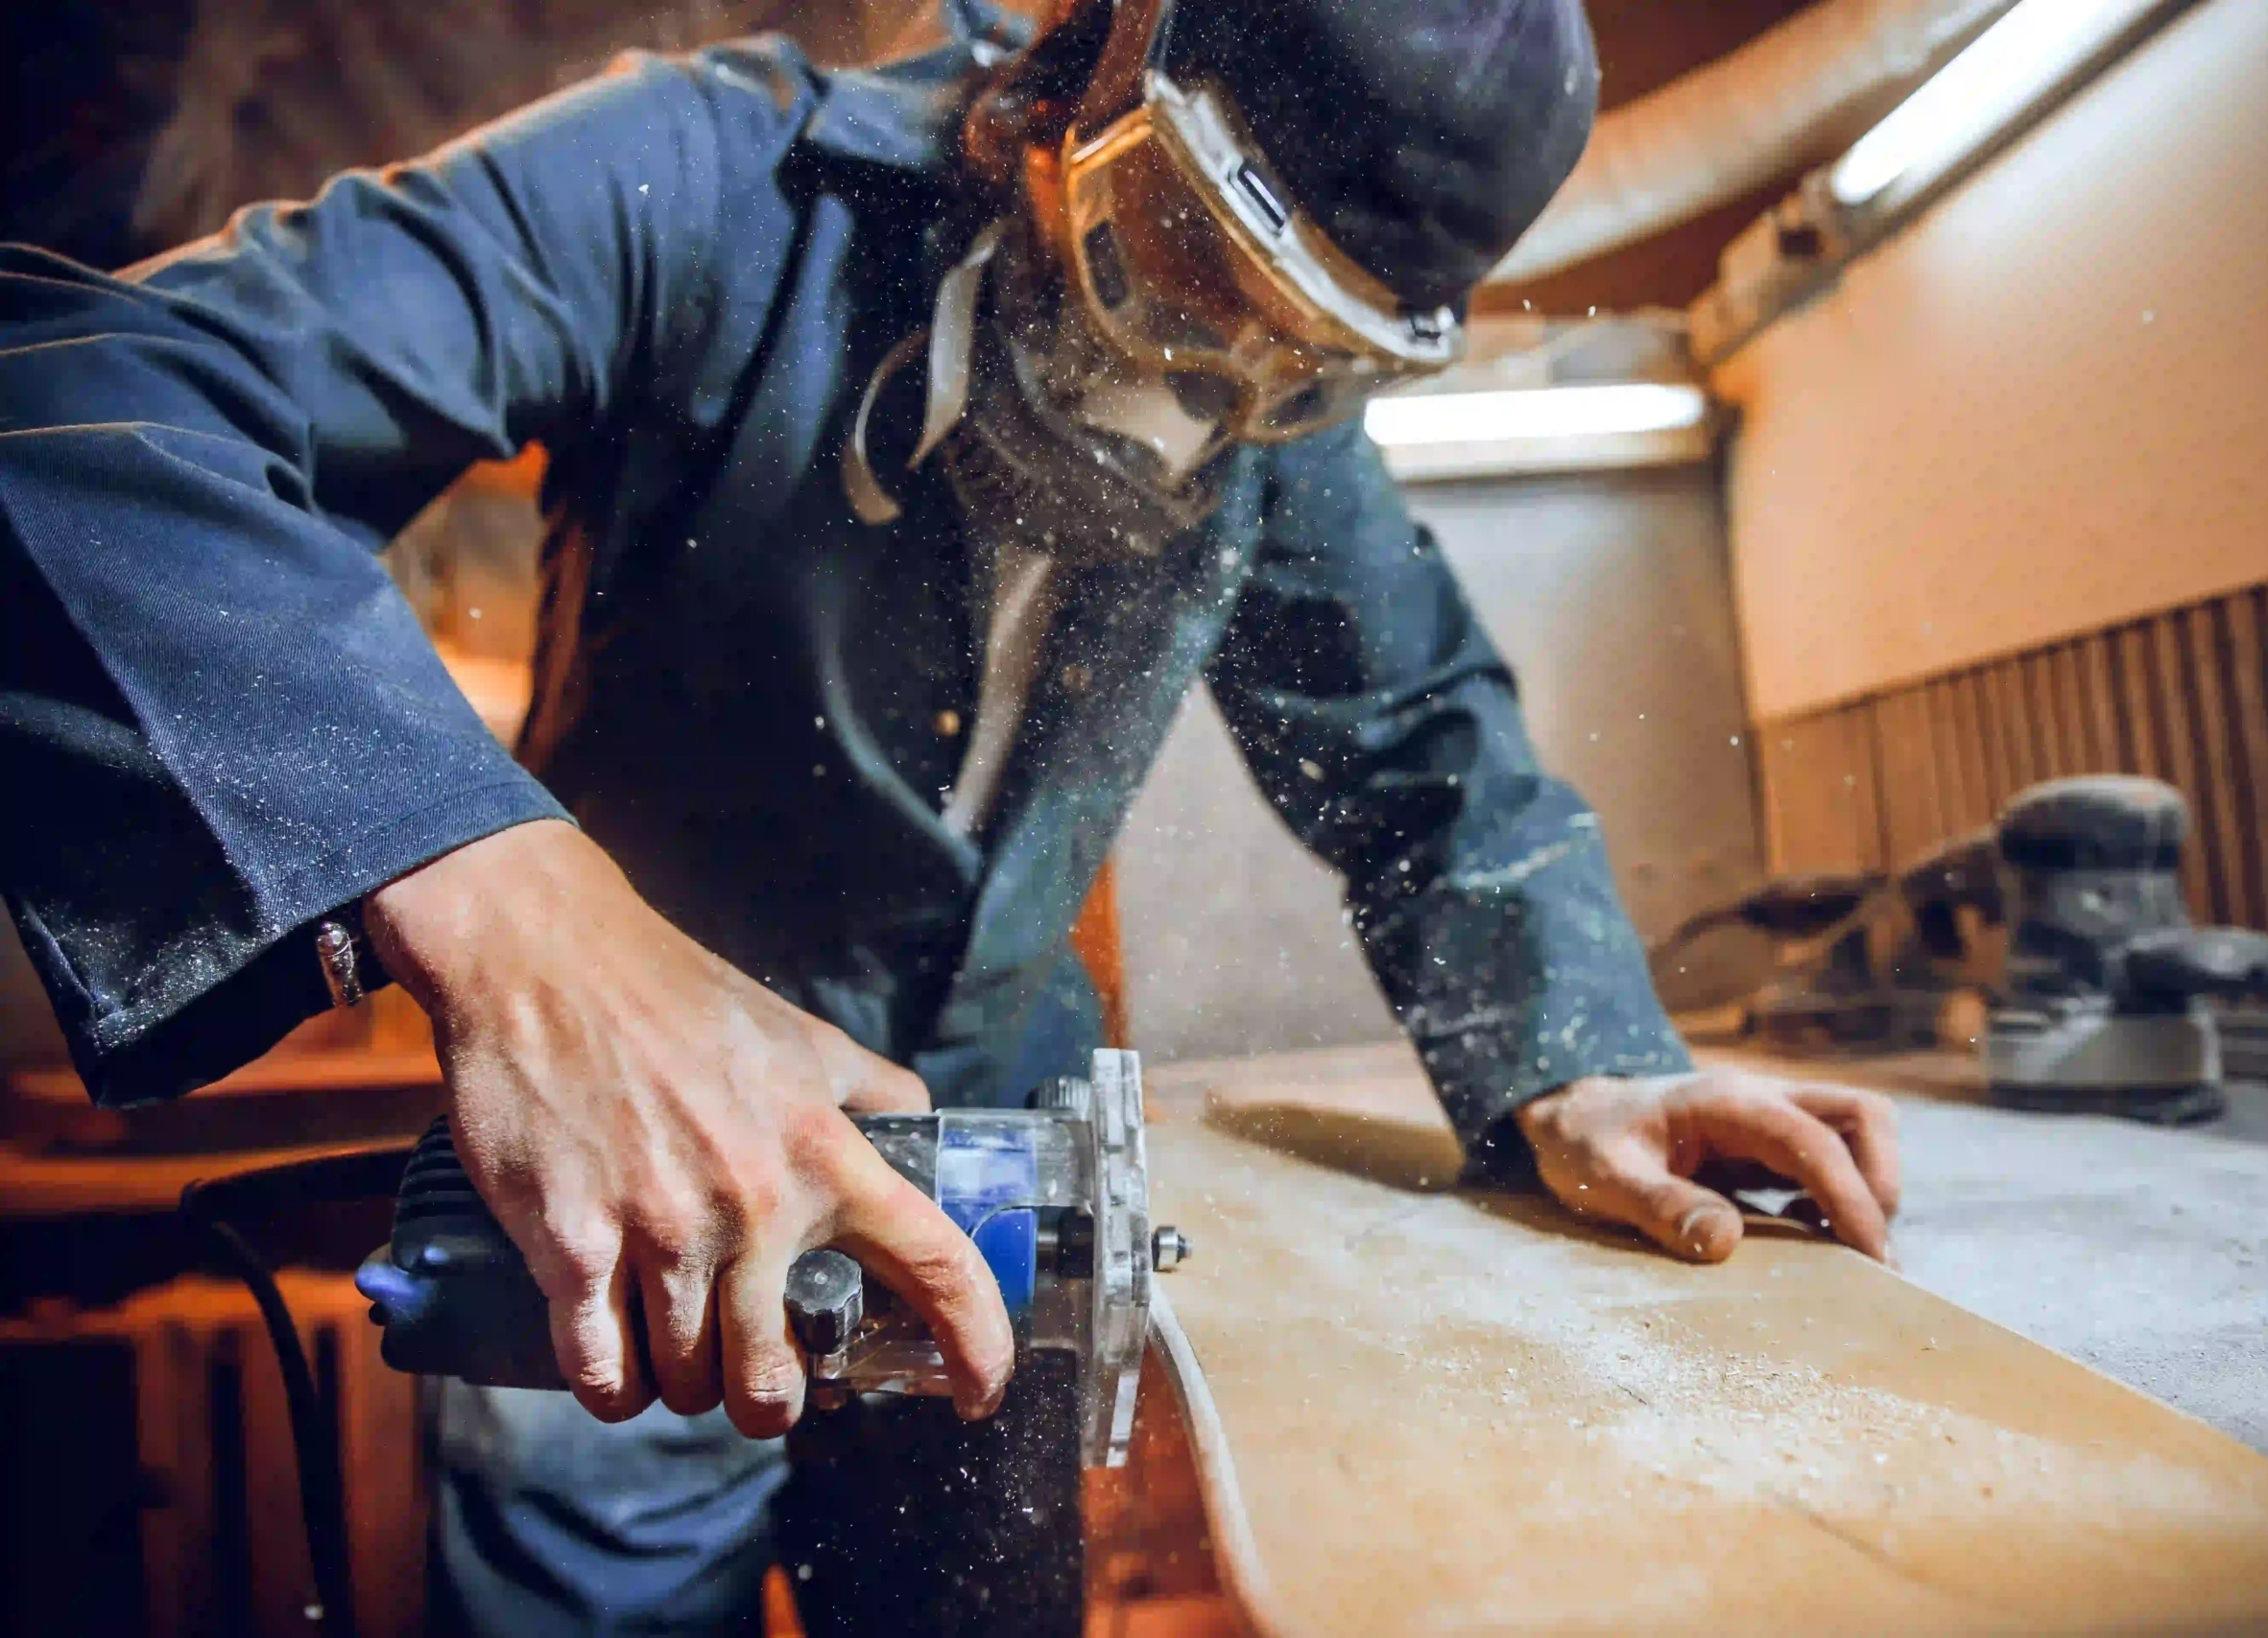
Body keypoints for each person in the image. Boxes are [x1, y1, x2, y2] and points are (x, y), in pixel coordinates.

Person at [0, 0, 1901, 1629]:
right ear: (1100, 62)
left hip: (1003, 1206)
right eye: (1179, 251)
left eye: (1288, 361)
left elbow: (1417, 738)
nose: (1188, 389)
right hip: (639, 1187)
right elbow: (72, 397)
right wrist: (535, 936)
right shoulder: (712, 183)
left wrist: (1575, 1053)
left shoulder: (1253, 423)